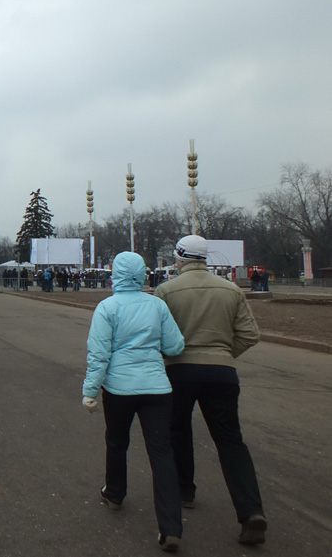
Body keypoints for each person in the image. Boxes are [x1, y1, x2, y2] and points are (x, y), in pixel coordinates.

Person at [154, 235, 267, 546]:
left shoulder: (166, 290)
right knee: (231, 440)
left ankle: (184, 489)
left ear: (179, 258)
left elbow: (158, 334)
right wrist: (224, 355)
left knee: (177, 430)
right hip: (222, 371)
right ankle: (250, 512)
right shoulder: (231, 289)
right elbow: (249, 334)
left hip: (179, 370)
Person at [82, 251, 185, 552]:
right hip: (156, 388)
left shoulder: (107, 307)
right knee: (162, 453)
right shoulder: (157, 305)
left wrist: (91, 390)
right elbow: (175, 345)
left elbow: (99, 354)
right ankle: (170, 528)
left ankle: (115, 492)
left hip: (119, 388)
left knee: (117, 441)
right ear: (142, 275)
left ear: (115, 274)